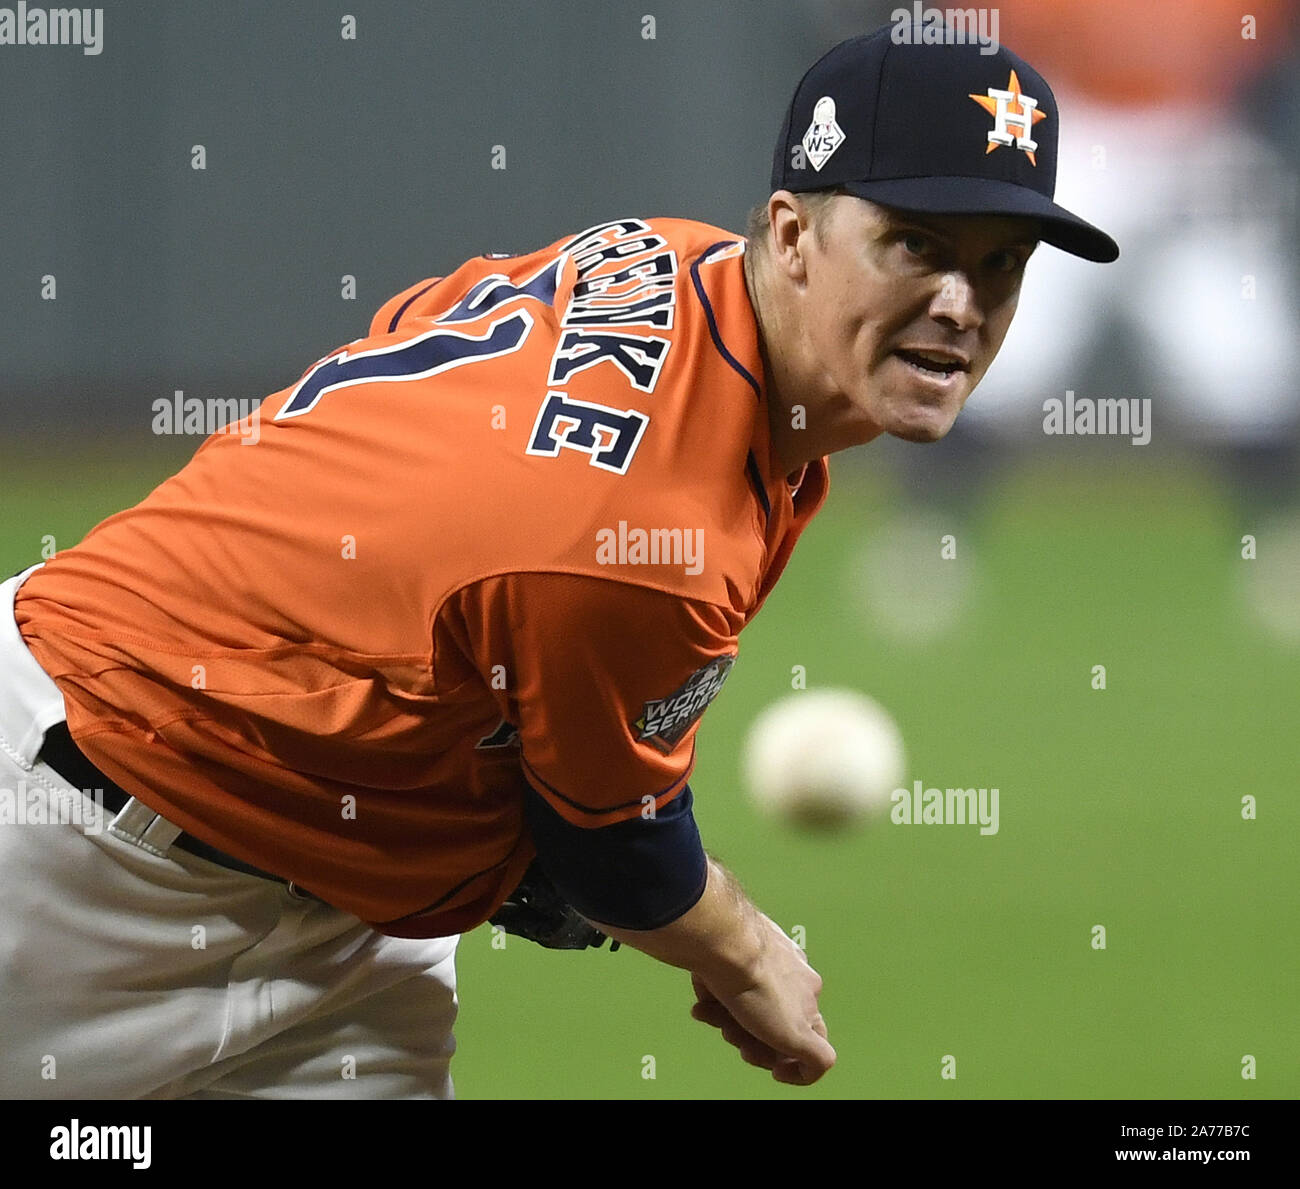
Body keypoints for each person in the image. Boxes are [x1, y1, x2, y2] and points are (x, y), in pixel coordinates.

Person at [0, 23, 1116, 1099]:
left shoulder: (673, 266)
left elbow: (410, 335)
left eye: (999, 263)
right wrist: (743, 950)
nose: (962, 304)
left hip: (341, 908)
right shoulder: (639, 531)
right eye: (914, 246)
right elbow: (617, 852)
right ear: (789, 235)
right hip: (77, 842)